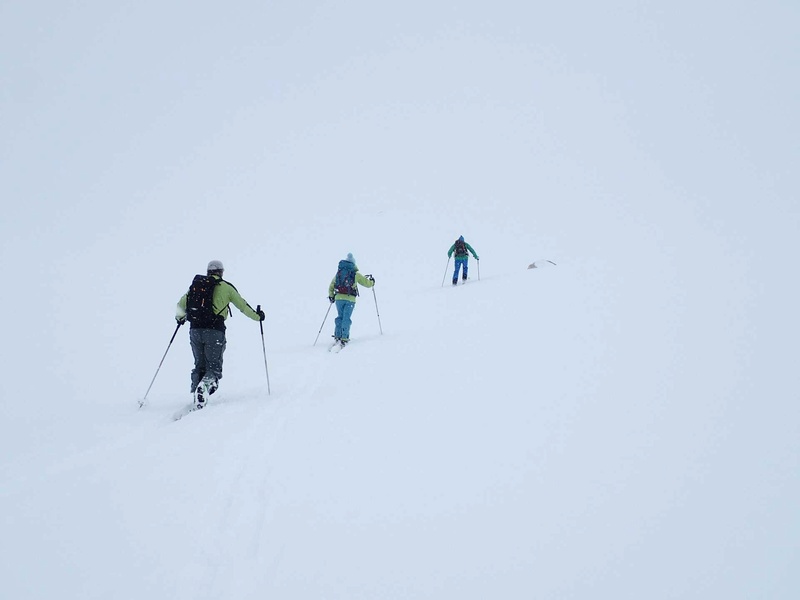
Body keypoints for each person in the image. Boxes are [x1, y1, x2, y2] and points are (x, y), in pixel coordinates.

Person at [175, 260, 264, 409]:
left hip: (194, 331)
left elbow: (180, 305)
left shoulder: (196, 287)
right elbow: (242, 306)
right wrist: (258, 316)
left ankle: (197, 395)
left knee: (199, 365)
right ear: (221, 272)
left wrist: (180, 319)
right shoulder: (226, 287)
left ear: (208, 272)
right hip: (214, 331)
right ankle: (202, 390)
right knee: (213, 368)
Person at [327, 253, 375, 348]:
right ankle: (344, 337)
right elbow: (366, 283)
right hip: (350, 299)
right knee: (346, 318)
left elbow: (331, 285)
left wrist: (331, 296)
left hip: (339, 299)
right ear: (353, 263)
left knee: (340, 316)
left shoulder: (339, 273)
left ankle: (337, 335)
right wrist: (372, 282)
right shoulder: (355, 273)